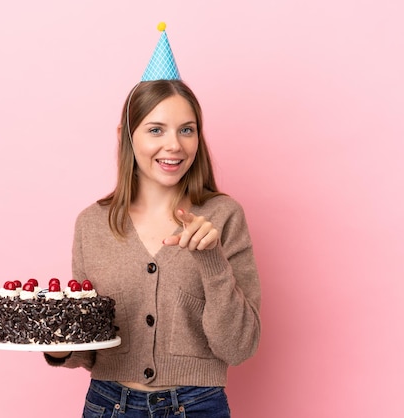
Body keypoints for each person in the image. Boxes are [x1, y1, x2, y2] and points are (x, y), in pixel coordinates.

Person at [45, 24, 261, 418]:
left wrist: (212, 261)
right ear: (128, 136)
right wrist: (60, 345)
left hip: (197, 407)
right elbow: (90, 347)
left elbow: (240, 347)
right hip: (108, 404)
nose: (174, 145)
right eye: (156, 129)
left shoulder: (224, 216)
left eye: (186, 130)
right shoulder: (92, 224)